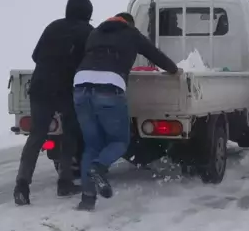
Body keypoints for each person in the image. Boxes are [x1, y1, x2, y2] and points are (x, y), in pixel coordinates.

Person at [73, 12, 180, 211]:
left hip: (80, 86)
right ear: (128, 24)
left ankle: (87, 199)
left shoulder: (95, 33)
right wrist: (174, 69)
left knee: (92, 144)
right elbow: (154, 55)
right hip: (109, 87)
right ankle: (99, 167)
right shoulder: (131, 33)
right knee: (119, 141)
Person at [13, 0, 94, 205]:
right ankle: (65, 182)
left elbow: (35, 56)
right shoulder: (88, 32)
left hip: (40, 87)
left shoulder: (53, 27)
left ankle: (21, 186)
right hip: (67, 90)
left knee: (36, 136)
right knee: (70, 135)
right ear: (87, 13)